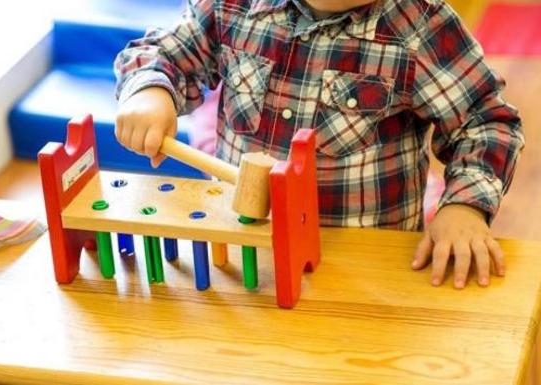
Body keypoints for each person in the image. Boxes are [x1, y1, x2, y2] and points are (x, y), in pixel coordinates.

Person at [113, 0, 524, 289]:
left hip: (361, 274)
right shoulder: (229, 7)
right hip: (243, 261)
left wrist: (464, 206)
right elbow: (163, 53)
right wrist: (150, 90)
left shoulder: (420, 24)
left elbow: (485, 120)